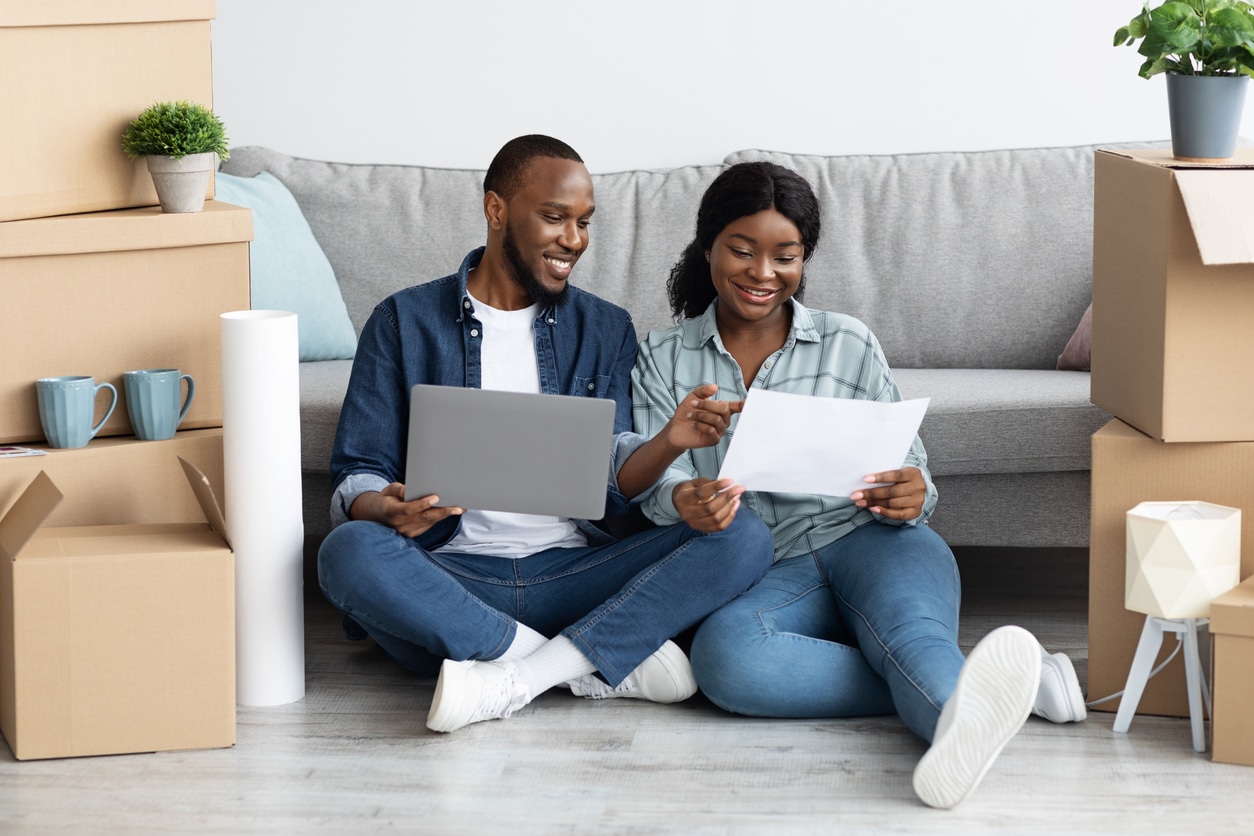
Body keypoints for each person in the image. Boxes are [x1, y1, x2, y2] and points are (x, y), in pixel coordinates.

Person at [631, 161, 1087, 809]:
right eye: (742, 250)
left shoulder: (848, 343)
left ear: (804, 260)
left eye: (785, 257)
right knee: (725, 664)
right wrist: (684, 497)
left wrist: (910, 492)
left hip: (874, 540)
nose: (763, 273)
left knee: (911, 636)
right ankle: (1000, 688)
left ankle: (951, 716)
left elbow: (914, 471)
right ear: (708, 247)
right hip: (765, 569)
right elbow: (655, 477)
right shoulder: (663, 357)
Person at [317, 135, 773, 735]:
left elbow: (615, 475)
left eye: (584, 222)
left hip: (573, 574)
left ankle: (516, 675)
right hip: (453, 578)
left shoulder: (605, 326)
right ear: (496, 210)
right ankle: (584, 662)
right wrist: (386, 506)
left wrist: (669, 441)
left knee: (742, 534)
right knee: (347, 552)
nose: (573, 240)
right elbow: (358, 470)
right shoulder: (404, 321)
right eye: (554, 218)